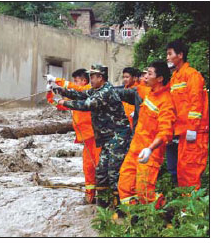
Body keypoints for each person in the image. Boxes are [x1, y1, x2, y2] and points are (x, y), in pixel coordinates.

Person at [55, 64, 131, 208]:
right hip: (107, 138)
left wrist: (65, 102)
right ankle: (102, 207)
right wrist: (60, 90)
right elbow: (82, 94)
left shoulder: (105, 92)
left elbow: (86, 104)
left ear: (100, 77)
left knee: (114, 174)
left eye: (92, 77)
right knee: (101, 172)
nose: (90, 79)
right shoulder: (97, 90)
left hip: (117, 137)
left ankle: (120, 208)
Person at [117, 61, 176, 207]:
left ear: (160, 78)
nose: (145, 77)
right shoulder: (148, 92)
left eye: (149, 74)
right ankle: (134, 218)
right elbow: (133, 89)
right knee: (124, 187)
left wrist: (150, 149)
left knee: (144, 192)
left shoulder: (166, 102)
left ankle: (165, 213)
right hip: (135, 148)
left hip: (150, 153)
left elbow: (165, 132)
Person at [45, 69, 102, 204]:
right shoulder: (75, 97)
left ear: (84, 81)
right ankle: (90, 196)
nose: (75, 83)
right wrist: (50, 92)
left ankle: (104, 197)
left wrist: (57, 81)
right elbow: (57, 105)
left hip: (96, 137)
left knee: (99, 166)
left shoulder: (90, 91)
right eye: (75, 81)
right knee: (88, 167)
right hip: (86, 139)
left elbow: (76, 89)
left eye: (77, 80)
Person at [167, 40, 209, 190]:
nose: (167, 57)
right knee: (183, 168)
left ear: (180, 55)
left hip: (195, 131)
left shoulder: (192, 75)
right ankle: (186, 207)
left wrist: (192, 128)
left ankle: (192, 208)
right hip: (184, 131)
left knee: (192, 168)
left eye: (170, 54)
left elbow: (195, 103)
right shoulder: (175, 78)